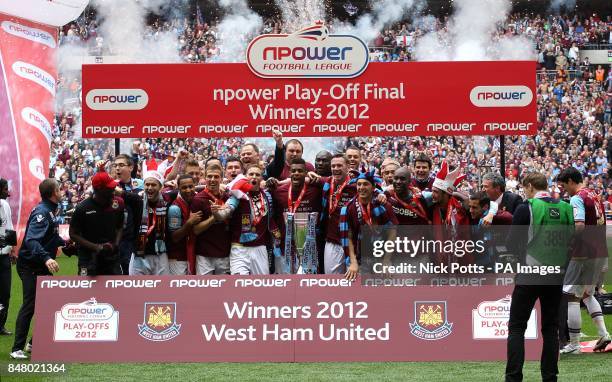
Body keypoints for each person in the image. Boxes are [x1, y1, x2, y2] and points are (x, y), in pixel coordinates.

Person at [504, 172, 574, 382]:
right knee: (551, 329)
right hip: (556, 275)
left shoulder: (527, 207)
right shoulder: (566, 207)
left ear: (530, 186)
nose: (524, 191)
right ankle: (550, 377)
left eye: (525, 188)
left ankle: (513, 377)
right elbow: (572, 241)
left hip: (529, 274)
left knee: (517, 327)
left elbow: (511, 242)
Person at [10, 179, 75, 359]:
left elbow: (51, 237)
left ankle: (33, 343)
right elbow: (31, 240)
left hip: (39, 264)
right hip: (30, 265)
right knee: (30, 305)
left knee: (48, 304)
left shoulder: (51, 210)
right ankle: (17, 349)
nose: (62, 191)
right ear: (54, 192)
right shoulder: (42, 212)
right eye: (59, 189)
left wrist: (67, 244)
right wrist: (46, 257)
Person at [556, 167, 611, 353]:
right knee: (588, 293)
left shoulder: (577, 197)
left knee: (572, 296)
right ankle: (604, 334)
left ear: (571, 181)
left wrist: (569, 243)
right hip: (599, 251)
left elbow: (579, 225)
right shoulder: (594, 194)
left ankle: (574, 344)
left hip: (583, 253)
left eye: (564, 186)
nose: (565, 190)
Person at [340, 169, 398, 281]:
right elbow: (349, 236)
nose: (361, 187)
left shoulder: (384, 206)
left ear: (373, 187)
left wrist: (386, 260)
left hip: (382, 257)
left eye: (365, 184)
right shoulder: (349, 208)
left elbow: (392, 234)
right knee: (362, 295)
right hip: (360, 260)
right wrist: (353, 262)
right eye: (359, 184)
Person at [269, 158, 322, 274]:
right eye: (293, 171)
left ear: (306, 173)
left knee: (307, 285)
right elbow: (270, 214)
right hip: (285, 248)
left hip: (309, 248)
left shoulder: (316, 190)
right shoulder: (279, 191)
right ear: (289, 173)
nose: (296, 173)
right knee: (285, 285)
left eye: (300, 171)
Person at [227, 164, 281, 275]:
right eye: (251, 174)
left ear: (261, 178)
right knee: (240, 284)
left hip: (260, 247)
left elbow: (269, 218)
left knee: (261, 287)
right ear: (245, 177)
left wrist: (277, 237)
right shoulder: (237, 194)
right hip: (239, 247)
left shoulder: (267, 195)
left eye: (257, 174)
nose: (254, 177)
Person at [69, 170, 125, 276]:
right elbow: (73, 234)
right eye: (110, 187)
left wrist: (116, 244)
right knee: (87, 290)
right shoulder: (83, 208)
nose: (114, 189)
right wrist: (96, 247)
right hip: (88, 257)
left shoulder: (119, 203)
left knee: (115, 290)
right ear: (99, 189)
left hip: (111, 255)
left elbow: (120, 226)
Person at [320, 154, 357, 274]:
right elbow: (308, 178)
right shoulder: (327, 183)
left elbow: (375, 189)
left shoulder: (357, 185)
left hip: (354, 243)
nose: (336, 168)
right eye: (333, 166)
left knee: (354, 283)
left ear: (347, 167)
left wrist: (383, 194)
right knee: (332, 283)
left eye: (339, 165)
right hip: (332, 242)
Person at [192, 164, 231, 275]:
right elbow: (196, 230)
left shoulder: (227, 198)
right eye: (209, 176)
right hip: (204, 255)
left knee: (224, 291)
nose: (212, 180)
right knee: (204, 291)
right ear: (204, 177)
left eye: (216, 176)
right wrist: (215, 217)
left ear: (221, 179)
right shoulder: (198, 199)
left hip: (224, 254)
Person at [130, 171, 170, 275]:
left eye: (153, 185)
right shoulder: (137, 200)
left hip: (160, 254)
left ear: (160, 187)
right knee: (136, 289)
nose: (150, 188)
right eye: (147, 184)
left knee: (162, 290)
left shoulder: (167, 200)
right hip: (139, 255)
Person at [167, 174, 202, 275]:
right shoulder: (175, 208)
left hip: (194, 254)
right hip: (178, 258)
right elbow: (175, 237)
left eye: (190, 187)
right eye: (184, 187)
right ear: (178, 188)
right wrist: (189, 223)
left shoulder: (197, 200)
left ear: (195, 186)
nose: (188, 190)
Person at [114, 154, 143, 275]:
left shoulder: (141, 184)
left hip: (137, 237)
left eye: (121, 165)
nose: (117, 168)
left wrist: (123, 193)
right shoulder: (112, 186)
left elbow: (140, 201)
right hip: (118, 238)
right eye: (115, 166)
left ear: (131, 167)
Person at [0, 178, 15, 335]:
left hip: (3, 256)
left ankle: (0, 326)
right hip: (2, 256)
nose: (7, 192)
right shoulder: (4, 204)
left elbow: (9, 228)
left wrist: (11, 250)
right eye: (5, 189)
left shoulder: (5, 205)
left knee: (5, 293)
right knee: (4, 292)